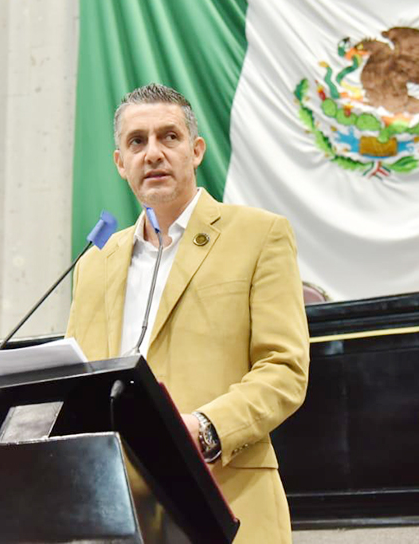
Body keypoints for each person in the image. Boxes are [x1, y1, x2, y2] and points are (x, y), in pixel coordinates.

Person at [66, 83, 310, 543]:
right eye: (137, 142)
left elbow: (284, 369)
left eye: (169, 137)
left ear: (196, 150)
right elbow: (81, 382)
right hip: (118, 513)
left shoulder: (259, 235)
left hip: (227, 500)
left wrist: (206, 428)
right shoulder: (94, 263)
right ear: (120, 163)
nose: (153, 153)